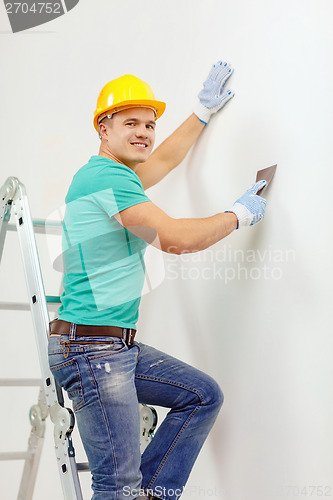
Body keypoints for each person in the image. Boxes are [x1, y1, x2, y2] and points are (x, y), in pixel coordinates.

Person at [48, 61, 267, 500]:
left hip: (113, 346)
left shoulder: (117, 177)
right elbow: (175, 238)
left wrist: (201, 113)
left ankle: (150, 494)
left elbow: (164, 158)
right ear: (102, 128)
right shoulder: (106, 177)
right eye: (131, 123)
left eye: (149, 124)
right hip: (91, 349)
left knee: (202, 397)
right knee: (115, 485)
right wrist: (237, 216)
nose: (144, 132)